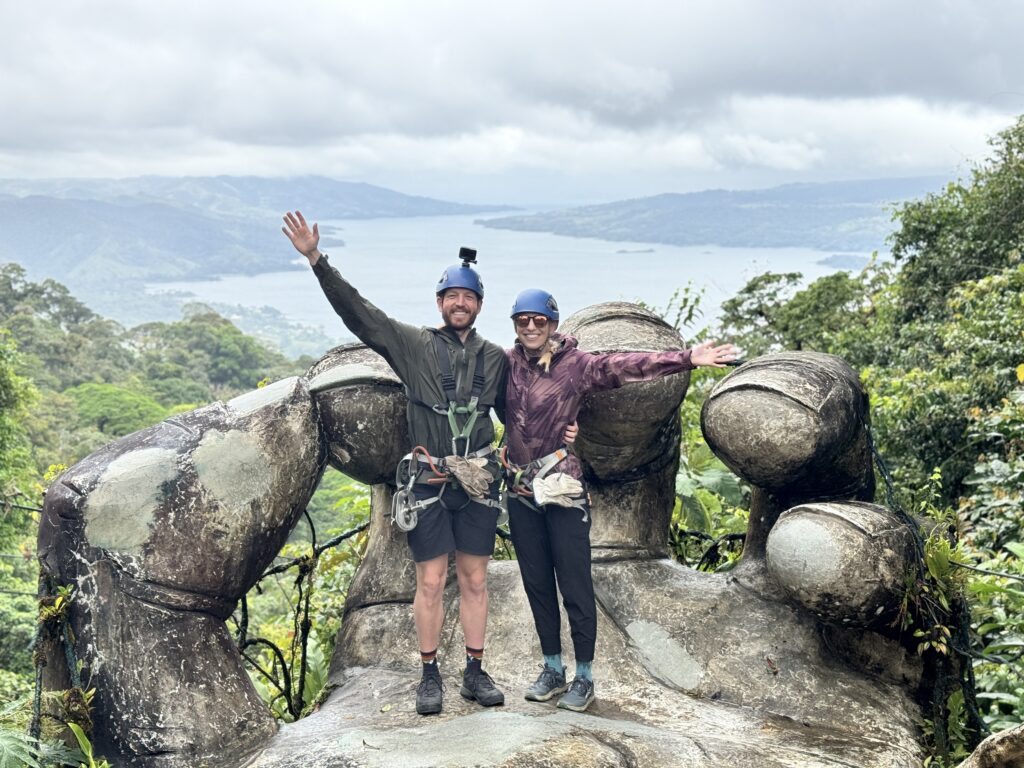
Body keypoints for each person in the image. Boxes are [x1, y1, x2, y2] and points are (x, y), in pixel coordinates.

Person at [282, 210, 511, 716]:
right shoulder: (413, 345)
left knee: (474, 578)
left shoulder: (495, 358)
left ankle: (474, 670)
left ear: (478, 305)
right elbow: (359, 313)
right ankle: (429, 674)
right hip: (429, 480)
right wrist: (317, 260)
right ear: (440, 302)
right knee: (430, 581)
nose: (459, 303)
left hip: (476, 483)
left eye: (468, 297)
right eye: (452, 296)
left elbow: (520, 410)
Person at [501, 288, 737, 712]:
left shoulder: (576, 366)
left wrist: (687, 358)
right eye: (524, 320)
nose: (532, 327)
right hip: (520, 492)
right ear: (516, 325)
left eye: (540, 320)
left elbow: (628, 366)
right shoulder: (507, 364)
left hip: (564, 491)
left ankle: (585, 676)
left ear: (553, 325)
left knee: (574, 584)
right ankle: (552, 668)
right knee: (537, 584)